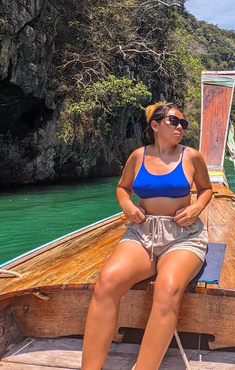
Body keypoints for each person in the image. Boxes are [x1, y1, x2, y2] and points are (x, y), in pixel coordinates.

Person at [81, 102, 213, 370]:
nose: (180, 128)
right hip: (142, 233)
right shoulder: (137, 156)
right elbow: (122, 188)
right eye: (174, 121)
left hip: (183, 236)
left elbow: (206, 189)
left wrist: (196, 207)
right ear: (155, 124)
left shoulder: (192, 157)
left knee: (167, 289)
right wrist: (127, 205)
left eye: (183, 124)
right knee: (106, 283)